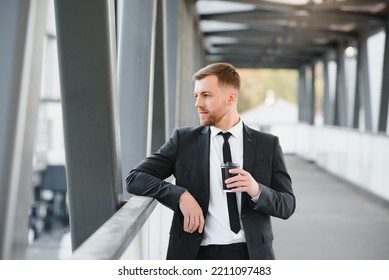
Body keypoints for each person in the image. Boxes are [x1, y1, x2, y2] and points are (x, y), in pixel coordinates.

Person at [126, 62, 295, 260]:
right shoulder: (183, 141)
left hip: (251, 254)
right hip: (196, 254)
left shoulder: (268, 144)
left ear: (230, 98)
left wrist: (256, 190)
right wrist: (180, 196)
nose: (198, 104)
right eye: (197, 96)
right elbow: (135, 178)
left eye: (206, 95)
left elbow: (287, 204)